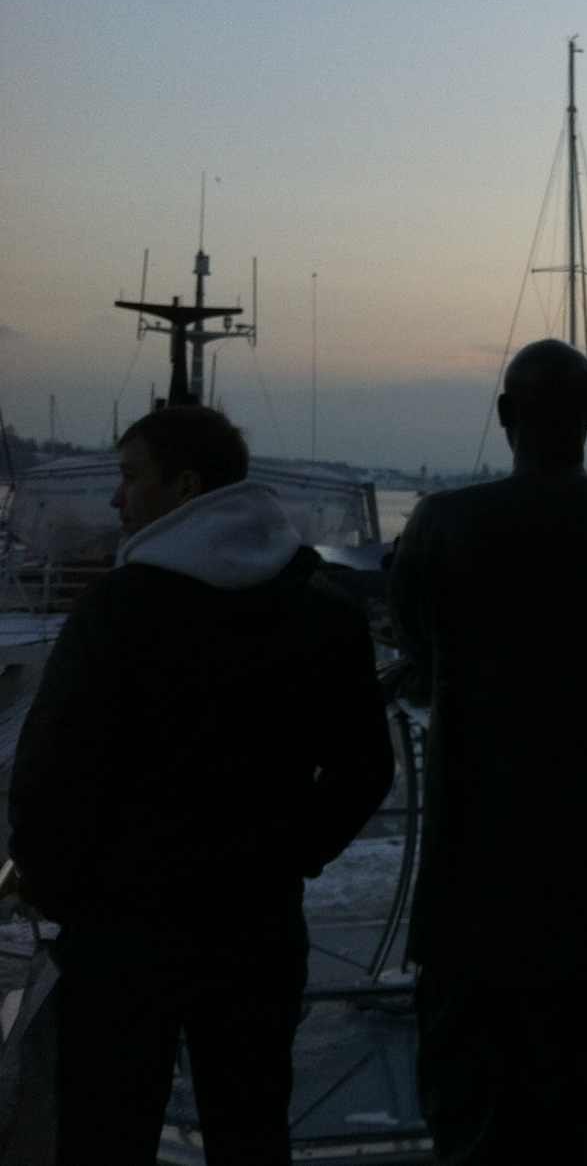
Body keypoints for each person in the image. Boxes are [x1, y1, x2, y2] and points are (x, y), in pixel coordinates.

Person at [9, 404, 395, 1164]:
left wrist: (60, 893)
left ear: (185, 486)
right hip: (257, 925)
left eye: (130, 477)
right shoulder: (321, 610)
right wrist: (288, 854)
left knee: (106, 1136)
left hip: (123, 932)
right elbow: (365, 769)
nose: (117, 498)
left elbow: (52, 773)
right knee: (250, 1131)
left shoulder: (118, 610)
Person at [389, 339, 587, 1164]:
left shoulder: (441, 523)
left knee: (473, 1104)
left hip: (472, 871)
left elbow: (416, 640)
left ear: (503, 416)